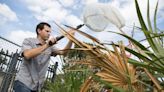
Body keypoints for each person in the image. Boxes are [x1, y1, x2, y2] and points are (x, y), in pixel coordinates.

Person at [13, 22, 75, 92]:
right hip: (23, 83)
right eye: (47, 31)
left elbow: (64, 52)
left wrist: (71, 39)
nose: (49, 34)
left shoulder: (51, 47)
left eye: (50, 32)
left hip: (37, 87)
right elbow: (27, 55)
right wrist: (47, 45)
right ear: (39, 31)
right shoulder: (28, 41)